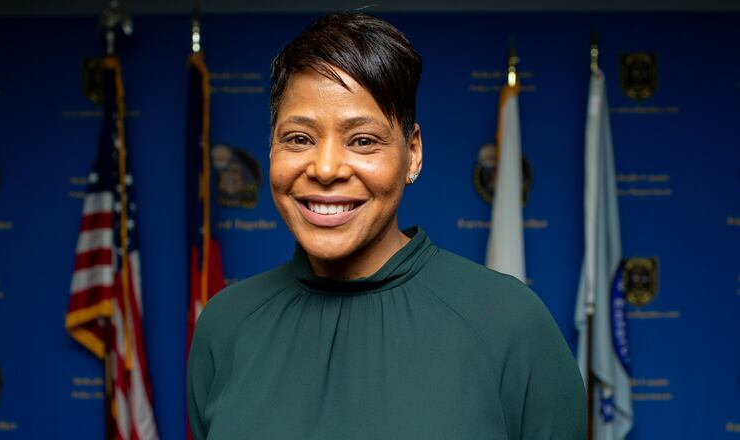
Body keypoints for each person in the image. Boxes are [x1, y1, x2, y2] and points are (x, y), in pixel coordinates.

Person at [187, 12, 586, 440]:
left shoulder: (509, 322)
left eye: (362, 141)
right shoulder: (225, 325)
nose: (325, 168)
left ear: (412, 153)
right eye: (299, 138)